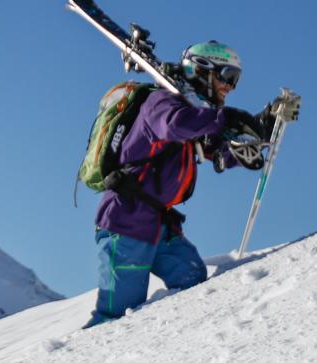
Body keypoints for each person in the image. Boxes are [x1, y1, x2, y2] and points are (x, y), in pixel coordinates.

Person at [86, 40, 285, 327]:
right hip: (126, 222)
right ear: (203, 70)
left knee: (191, 278)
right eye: (227, 77)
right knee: (115, 317)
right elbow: (175, 124)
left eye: (235, 80)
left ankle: (169, 344)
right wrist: (225, 117)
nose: (230, 87)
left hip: (159, 224)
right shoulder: (162, 101)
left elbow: (217, 153)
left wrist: (260, 128)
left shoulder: (196, 114)